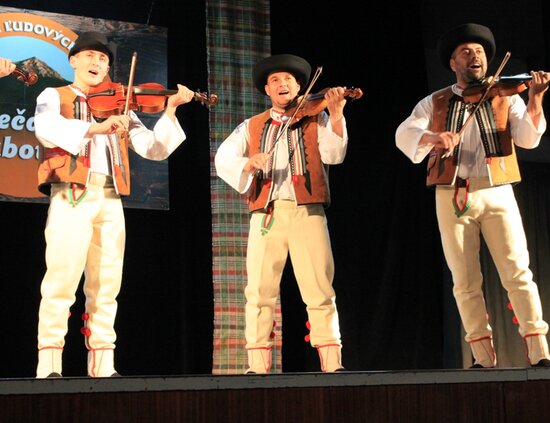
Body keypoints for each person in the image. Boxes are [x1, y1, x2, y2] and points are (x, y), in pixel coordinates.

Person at [395, 23, 550, 368]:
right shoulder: (435, 101)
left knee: (517, 271)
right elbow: (404, 133)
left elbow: (529, 139)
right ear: (453, 62)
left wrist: (535, 99)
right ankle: (482, 356)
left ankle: (539, 350)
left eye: (480, 52)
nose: (475, 58)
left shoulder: (506, 96)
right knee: (464, 278)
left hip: (497, 191)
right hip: (452, 193)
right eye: (466, 52)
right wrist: (434, 139)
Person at [34, 32, 193, 378]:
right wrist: (96, 128)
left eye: (103, 59)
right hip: (72, 193)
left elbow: (153, 149)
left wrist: (170, 111)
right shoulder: (53, 95)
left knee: (107, 283)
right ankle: (49, 366)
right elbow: (46, 129)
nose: (96, 63)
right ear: (73, 61)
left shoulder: (121, 104)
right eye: (89, 56)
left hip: (110, 196)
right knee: (61, 279)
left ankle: (103, 366)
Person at [215, 54, 348, 373]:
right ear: (267, 89)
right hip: (268, 214)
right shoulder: (252, 125)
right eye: (275, 80)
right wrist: (248, 163)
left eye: (288, 79)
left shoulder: (317, 117)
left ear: (300, 86)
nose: (282, 84)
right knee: (259, 290)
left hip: (308, 211)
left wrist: (337, 113)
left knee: (319, 287)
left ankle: (332, 365)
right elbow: (222, 158)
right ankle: (257, 366)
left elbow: (335, 154)